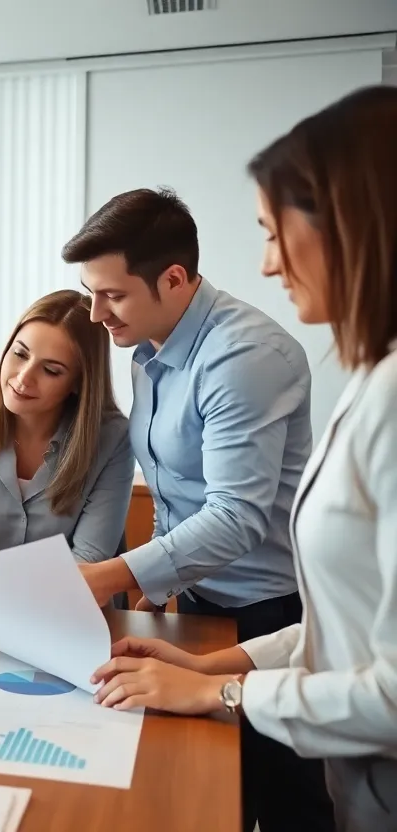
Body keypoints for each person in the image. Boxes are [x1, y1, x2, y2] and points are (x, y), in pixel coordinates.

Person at [90, 85, 397, 832]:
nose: (265, 264)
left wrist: (219, 692)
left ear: (352, 224)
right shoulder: (373, 378)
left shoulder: (277, 362)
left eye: (272, 231)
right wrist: (207, 668)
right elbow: (339, 626)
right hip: (250, 641)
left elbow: (384, 683)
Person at [61, 187, 333, 831]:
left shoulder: (245, 357)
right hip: (202, 601)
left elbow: (235, 516)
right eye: (89, 290)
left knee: (285, 799)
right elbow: (173, 488)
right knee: (211, 792)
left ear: (174, 278)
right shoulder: (147, 348)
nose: (95, 313)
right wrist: (163, 583)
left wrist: (112, 574)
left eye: (113, 294)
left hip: (274, 610)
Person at [0, 290, 134, 616]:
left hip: (69, 618)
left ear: (78, 382)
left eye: (51, 370)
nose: (23, 378)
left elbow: (88, 559)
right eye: (20, 354)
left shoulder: (113, 438)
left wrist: (12, 604)